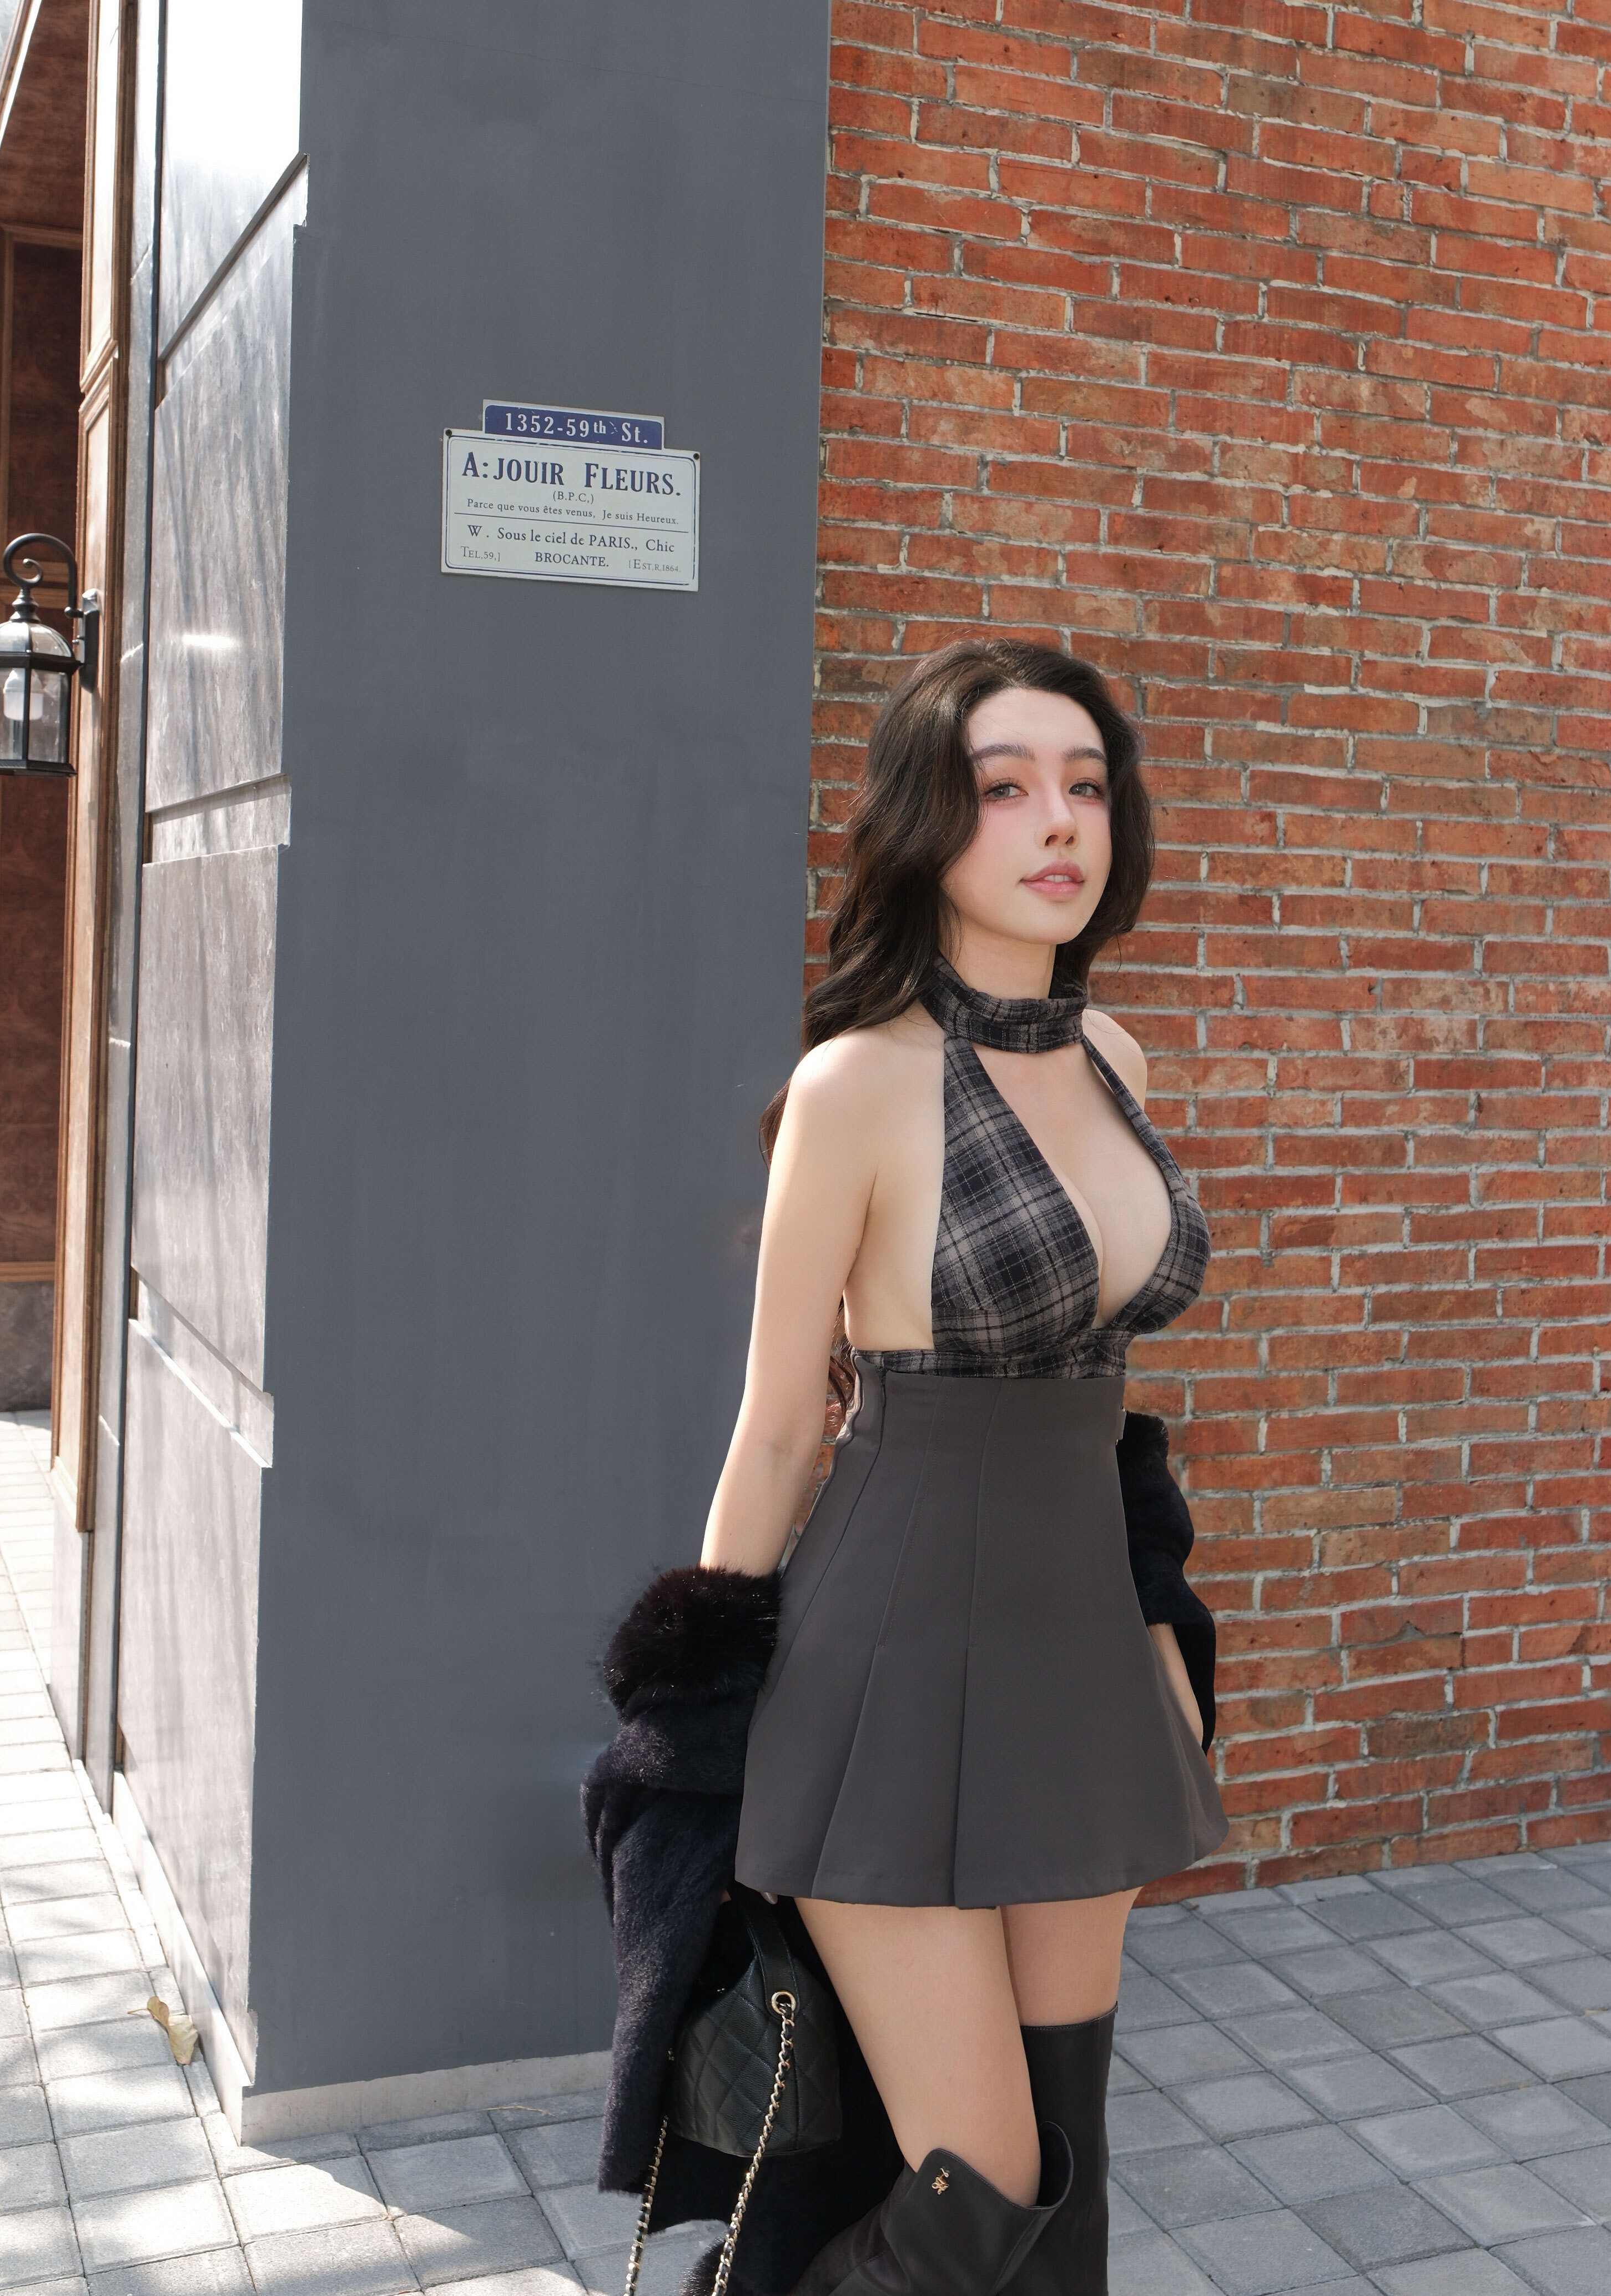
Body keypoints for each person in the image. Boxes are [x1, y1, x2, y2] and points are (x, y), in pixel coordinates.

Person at [585, 637, 1227, 2296]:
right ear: (930, 824)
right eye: (1005, 787)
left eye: (1085, 784)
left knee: (1067, 2172)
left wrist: (1158, 1621)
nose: (1059, 821)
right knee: (976, 2189)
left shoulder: (1116, 1062)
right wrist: (687, 1720)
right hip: (889, 1666)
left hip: (1081, 1664)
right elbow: (780, 1422)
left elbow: (1107, 1394)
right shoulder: (858, 1082)